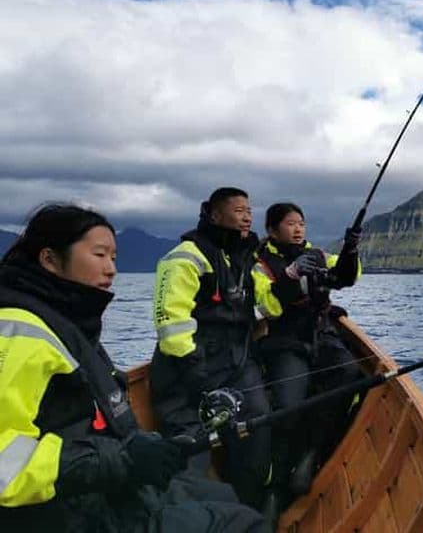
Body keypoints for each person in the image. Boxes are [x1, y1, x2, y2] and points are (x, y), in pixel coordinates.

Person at [0, 203, 264, 532]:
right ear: (49, 259)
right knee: (244, 523)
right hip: (69, 514)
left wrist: (145, 450)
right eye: (99, 255)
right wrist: (123, 458)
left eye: (114, 257)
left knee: (221, 494)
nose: (112, 269)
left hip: (105, 488)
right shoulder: (19, 333)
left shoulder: (66, 321)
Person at [149, 188, 272, 513]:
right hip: (186, 370)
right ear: (215, 215)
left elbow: (268, 302)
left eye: (249, 210)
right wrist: (198, 378)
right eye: (239, 210)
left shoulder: (245, 260)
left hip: (237, 363)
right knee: (191, 447)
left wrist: (294, 281)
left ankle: (250, 509)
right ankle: (189, 514)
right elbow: (170, 322)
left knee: (257, 426)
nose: (247, 217)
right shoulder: (185, 256)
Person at [252, 202, 363, 515]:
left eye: (301, 223)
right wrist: (291, 274)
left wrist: (350, 249)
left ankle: (311, 454)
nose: (298, 229)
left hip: (320, 334)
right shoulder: (259, 263)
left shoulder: (317, 254)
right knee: (289, 405)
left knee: (349, 373)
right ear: (272, 230)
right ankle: (274, 487)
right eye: (290, 224)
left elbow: (345, 277)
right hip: (285, 339)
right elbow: (265, 303)